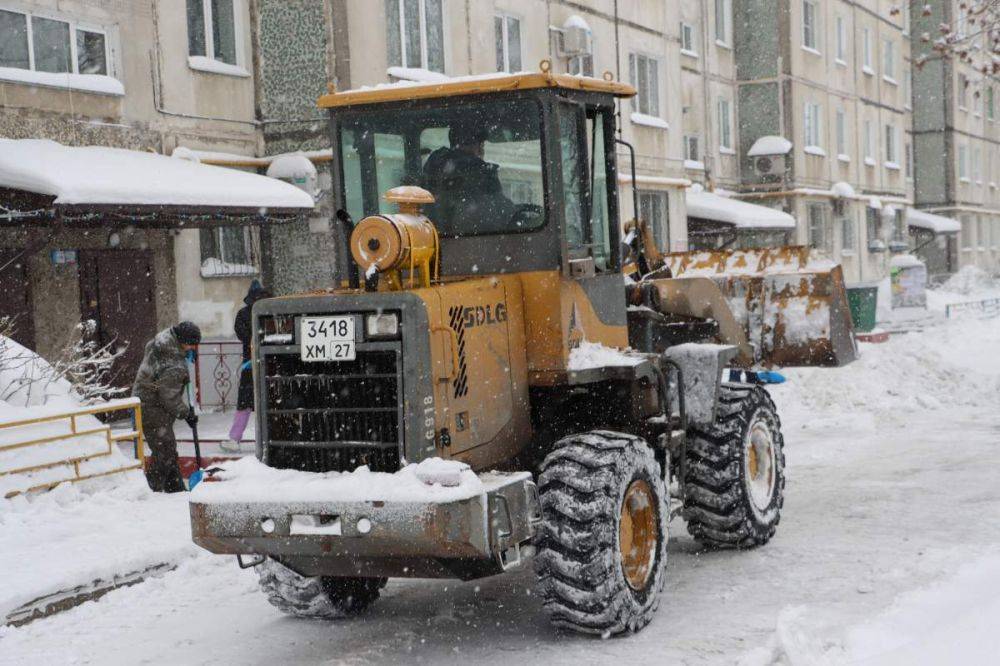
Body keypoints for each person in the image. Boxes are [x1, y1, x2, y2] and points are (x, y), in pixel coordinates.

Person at [132, 321, 201, 493]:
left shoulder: (161, 342)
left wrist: (183, 360)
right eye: (192, 345)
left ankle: (174, 486)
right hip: (152, 405)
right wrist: (187, 414)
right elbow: (169, 395)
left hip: (146, 399)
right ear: (182, 341)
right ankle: (150, 488)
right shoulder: (173, 363)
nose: (193, 348)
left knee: (166, 447)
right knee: (164, 450)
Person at [421, 124, 516, 234]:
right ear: (479, 146)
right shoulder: (482, 172)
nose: (482, 150)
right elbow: (500, 213)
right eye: (482, 145)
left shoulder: (433, 168)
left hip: (431, 240)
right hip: (478, 243)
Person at [222, 281, 271, 451]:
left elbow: (241, 334)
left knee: (244, 402)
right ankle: (270, 437)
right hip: (271, 364)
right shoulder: (271, 310)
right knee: (270, 401)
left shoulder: (243, 314)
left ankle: (234, 439)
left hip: (250, 365)